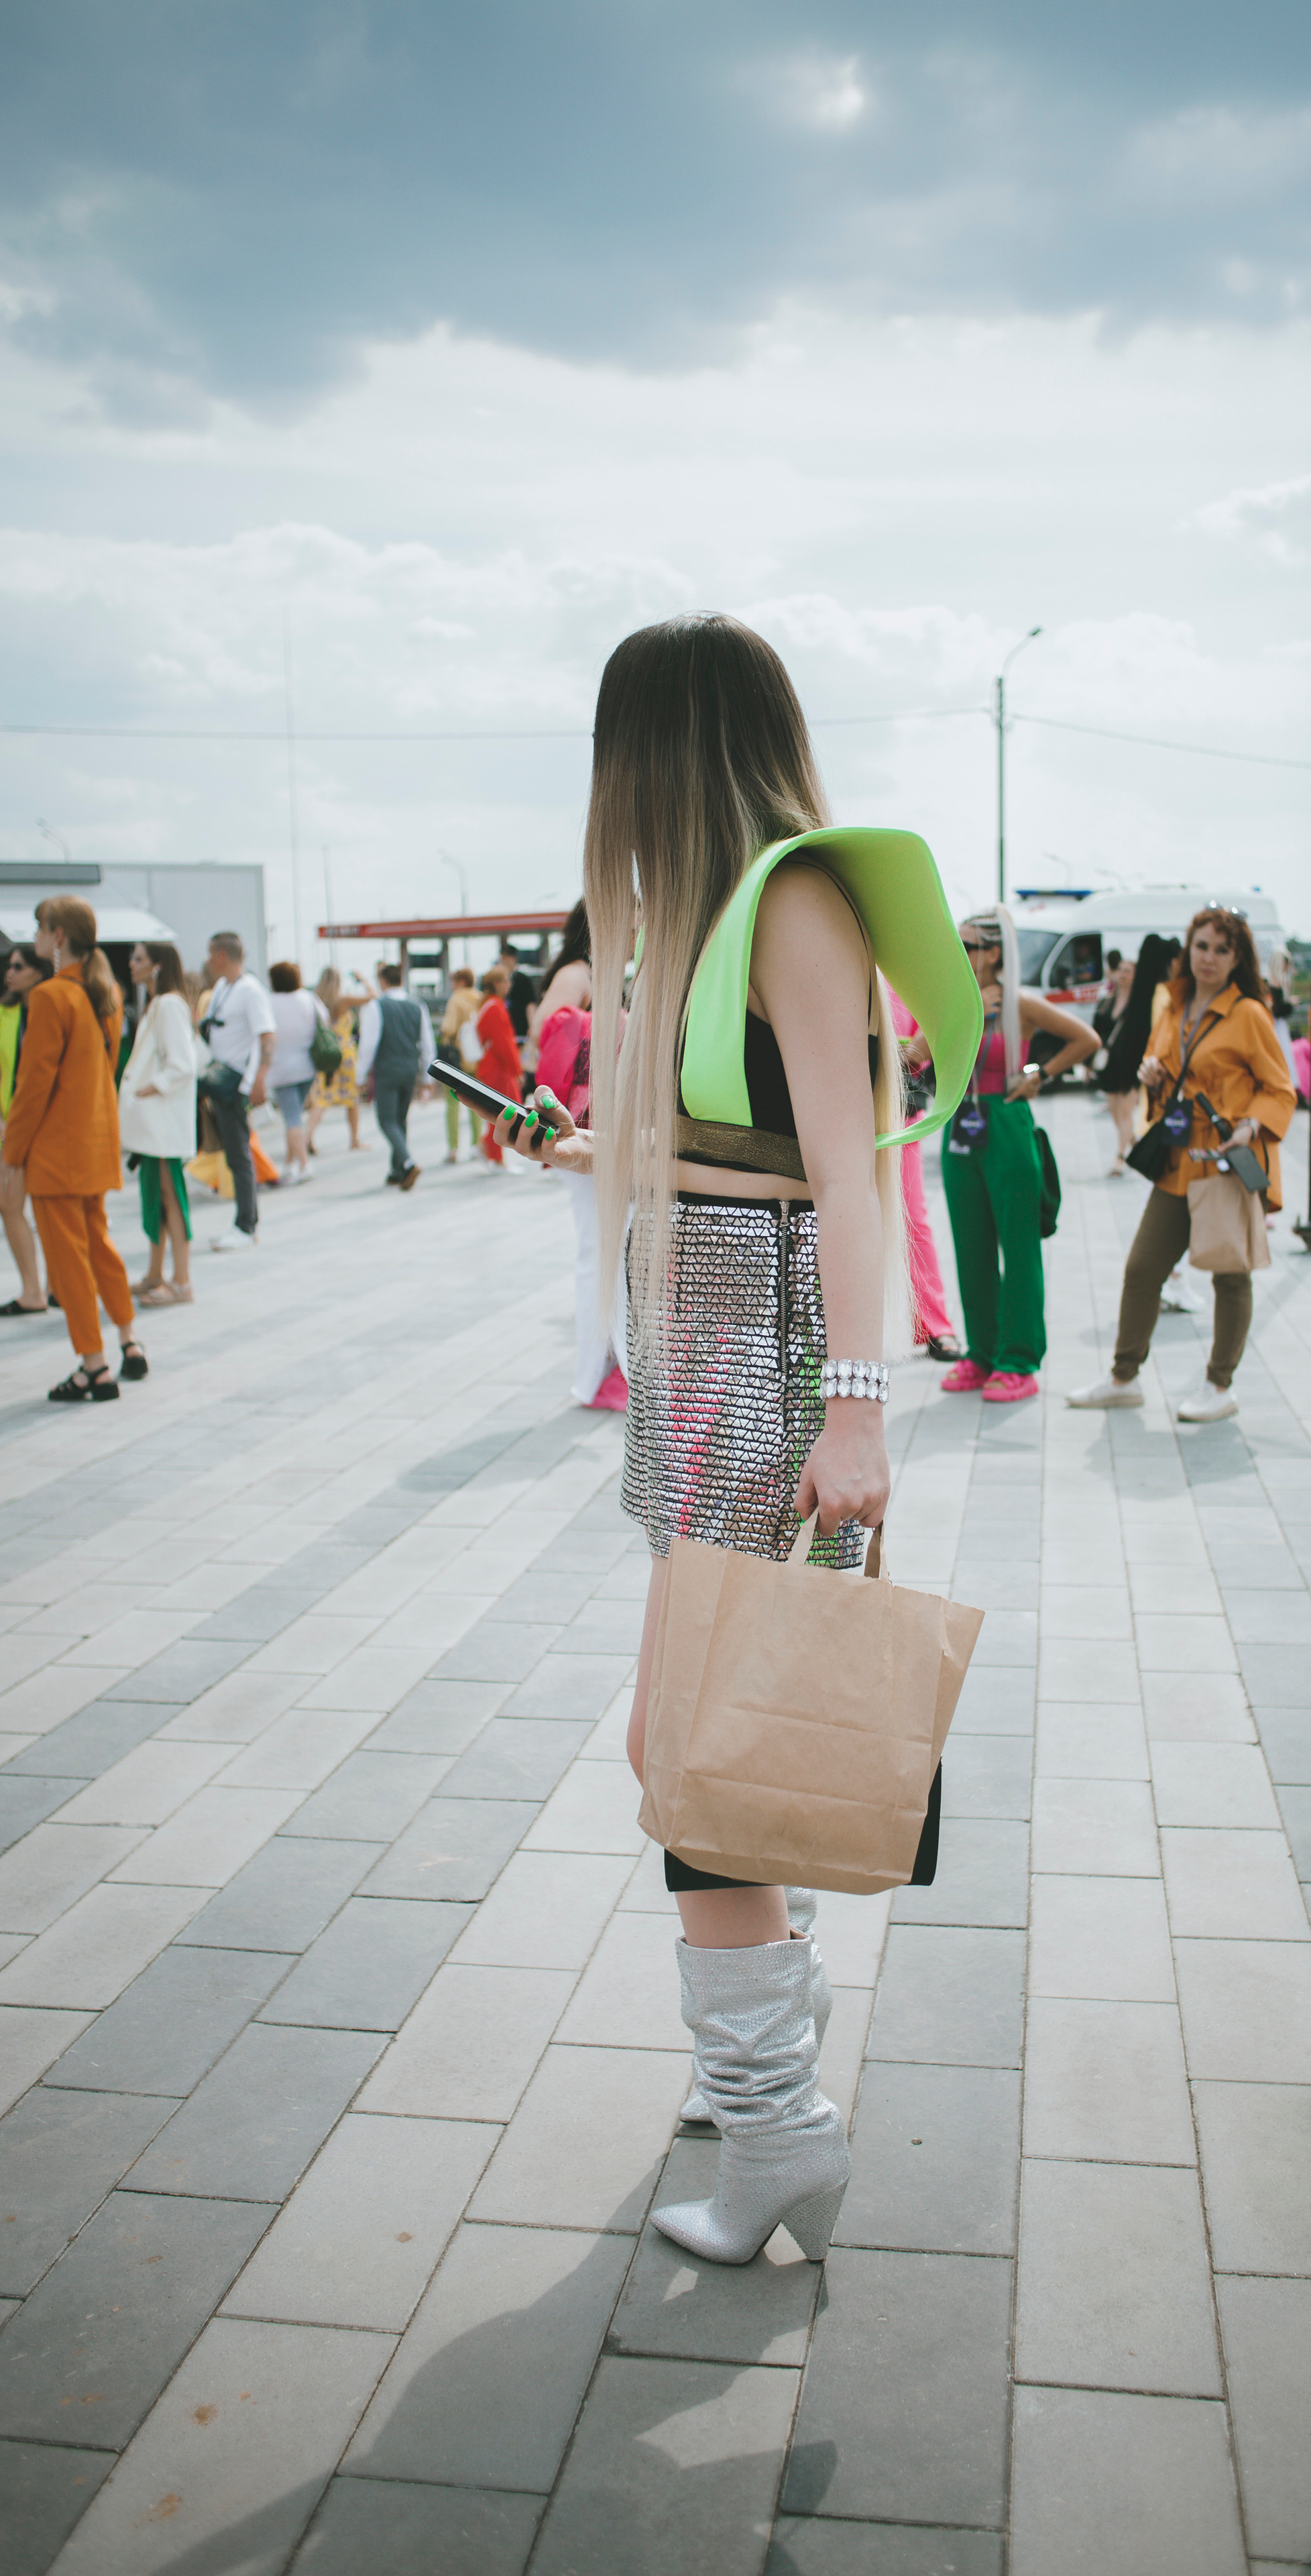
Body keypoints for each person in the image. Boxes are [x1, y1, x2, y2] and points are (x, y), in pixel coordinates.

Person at [506, 612, 976, 2269]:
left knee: (690, 1746)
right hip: (710, 1350)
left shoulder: (789, 898)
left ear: (651, 750)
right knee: (691, 1734)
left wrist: (859, 1407)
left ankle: (775, 2115)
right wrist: (609, 1152)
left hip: (762, 1356)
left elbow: (852, 1178)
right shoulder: (715, 912)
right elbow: (753, 1146)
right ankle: (762, 2055)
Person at [1068, 906, 1296, 1424]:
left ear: (1237, 958)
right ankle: (1124, 1378)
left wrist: (1252, 1126)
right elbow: (1163, 1067)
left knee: (1230, 1274)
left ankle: (1220, 1385)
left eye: (1221, 949)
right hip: (1176, 1160)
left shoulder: (1249, 1014)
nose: (1209, 958)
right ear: (1187, 949)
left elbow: (1280, 1089)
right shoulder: (1172, 1005)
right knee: (1143, 1269)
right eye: (1201, 946)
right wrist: (1152, 1075)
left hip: (1224, 1162)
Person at [933, 910, 1097, 1403]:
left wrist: (1039, 1075)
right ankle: (981, 1353)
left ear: (993, 953)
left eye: (967, 946)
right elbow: (917, 1052)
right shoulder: (956, 999)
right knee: (971, 1246)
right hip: (961, 1128)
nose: (959, 954)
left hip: (1006, 1122)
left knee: (1019, 1247)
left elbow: (1087, 1039)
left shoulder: (1018, 1004)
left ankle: (1019, 1359)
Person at [2, 898, 147, 1400]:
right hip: (94, 1142)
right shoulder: (102, 991)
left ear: (58, 935)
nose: (36, 938)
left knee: (69, 1261)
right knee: (100, 1247)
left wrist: (12, 1151)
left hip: (56, 1150)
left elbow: (33, 1084)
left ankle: (93, 1365)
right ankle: (129, 1340)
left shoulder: (50, 997)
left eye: (40, 929)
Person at [532, 904, 626, 1406]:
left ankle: (608, 1370)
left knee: (611, 1253)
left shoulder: (602, 975)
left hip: (606, 1131)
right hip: (585, 1127)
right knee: (599, 1254)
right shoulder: (578, 974)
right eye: (632, 917)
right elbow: (545, 1040)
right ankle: (596, 1376)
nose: (638, 928)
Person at [885, 987, 960, 1363]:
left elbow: (930, 1033)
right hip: (833, 1110)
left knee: (914, 1218)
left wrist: (905, 1053)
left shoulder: (902, 975)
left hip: (898, 1112)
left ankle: (935, 1325)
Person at [120, 943, 197, 1305]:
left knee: (170, 1196)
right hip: (154, 1123)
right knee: (156, 1196)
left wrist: (152, 1088)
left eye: (138, 958)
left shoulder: (168, 1005)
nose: (131, 964)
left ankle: (181, 1281)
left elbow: (183, 1063)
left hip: (163, 1122)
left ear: (157, 965)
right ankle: (156, 1273)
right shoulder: (159, 1004)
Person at [0, 945, 50, 1315]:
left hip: (45, 1128)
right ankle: (32, 1290)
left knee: (49, 1206)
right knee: (8, 1204)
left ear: (38, 973)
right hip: (7, 1128)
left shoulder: (51, 1009)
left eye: (18, 967)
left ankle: (53, 1287)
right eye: (9, 967)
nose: (9, 973)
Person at [197, 932, 274, 1251]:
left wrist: (259, 1080)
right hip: (219, 1079)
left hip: (235, 1084)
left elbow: (267, 1037)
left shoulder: (250, 991)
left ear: (220, 955)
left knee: (240, 1154)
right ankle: (244, 1221)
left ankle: (246, 1223)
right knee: (233, 1153)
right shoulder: (222, 988)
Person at [1098, 934, 1176, 1175]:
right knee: (1114, 1110)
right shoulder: (1108, 1000)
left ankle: (1119, 1158)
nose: (1123, 974)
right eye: (1120, 970)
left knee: (1124, 1111)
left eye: (1128, 971)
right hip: (1110, 1064)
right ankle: (1131, 1142)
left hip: (1130, 1063)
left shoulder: (1142, 1003)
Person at [357, 962, 434, 1188]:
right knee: (400, 1119)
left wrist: (360, 1076)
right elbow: (427, 1044)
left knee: (387, 1120)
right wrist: (427, 1079)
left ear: (382, 981)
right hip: (410, 1068)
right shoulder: (417, 1006)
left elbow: (368, 1045)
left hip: (387, 1069)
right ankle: (397, 1169)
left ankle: (408, 1164)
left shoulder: (377, 1006)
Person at [266, 962, 329, 1185]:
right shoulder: (308, 998)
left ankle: (304, 1164)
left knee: (292, 1119)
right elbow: (325, 1020)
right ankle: (289, 1165)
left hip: (280, 1068)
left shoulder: (269, 1002)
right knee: (294, 1118)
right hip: (307, 1066)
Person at [306, 969, 369, 1155]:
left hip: (327, 1052)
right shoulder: (344, 1000)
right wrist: (363, 979)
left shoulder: (317, 1000)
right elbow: (371, 996)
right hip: (346, 1054)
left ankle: (307, 1135)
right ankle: (355, 1139)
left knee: (322, 1098)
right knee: (352, 1098)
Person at [471, 962, 525, 1169]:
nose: (509, 985)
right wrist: (516, 1070)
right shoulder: (495, 1007)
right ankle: (494, 1157)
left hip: (493, 1067)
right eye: (505, 981)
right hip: (498, 1069)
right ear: (496, 984)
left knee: (501, 1113)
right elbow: (505, 1044)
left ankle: (490, 1151)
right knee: (504, 1113)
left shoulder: (489, 1005)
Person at [439, 968, 483, 1161]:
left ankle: (454, 1149)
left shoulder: (456, 999)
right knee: (478, 1104)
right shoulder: (481, 998)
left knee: (452, 1104)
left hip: (457, 1060)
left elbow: (448, 1027)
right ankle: (477, 1145)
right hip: (477, 1060)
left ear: (462, 981)